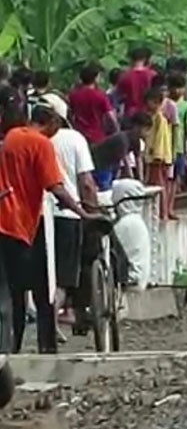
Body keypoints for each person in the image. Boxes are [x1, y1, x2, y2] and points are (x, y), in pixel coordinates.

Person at [0, 101, 94, 354]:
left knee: (11, 294)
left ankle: (11, 348)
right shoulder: (41, 144)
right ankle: (45, 347)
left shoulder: (12, 136)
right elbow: (56, 187)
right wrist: (83, 212)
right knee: (42, 288)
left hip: (4, 222)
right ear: (52, 123)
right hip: (21, 224)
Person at [40, 93, 98, 333]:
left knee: (43, 276)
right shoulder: (75, 139)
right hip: (67, 215)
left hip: (38, 216)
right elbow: (86, 182)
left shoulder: (35, 138)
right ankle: (53, 325)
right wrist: (91, 209)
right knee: (63, 276)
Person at [90, 112, 152, 188]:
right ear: (137, 127)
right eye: (146, 129)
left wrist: (141, 180)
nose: (148, 133)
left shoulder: (136, 141)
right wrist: (133, 181)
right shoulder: (123, 139)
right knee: (105, 187)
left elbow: (138, 160)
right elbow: (126, 163)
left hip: (111, 164)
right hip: (100, 162)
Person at [69, 62, 118, 150]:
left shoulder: (73, 95)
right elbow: (110, 116)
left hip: (79, 134)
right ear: (95, 78)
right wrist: (116, 130)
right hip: (96, 136)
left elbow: (70, 114)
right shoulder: (100, 96)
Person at [143, 87, 173, 219]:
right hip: (153, 156)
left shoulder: (160, 119)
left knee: (159, 185)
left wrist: (157, 155)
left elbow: (160, 138)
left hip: (157, 157)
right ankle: (160, 211)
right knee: (157, 184)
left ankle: (163, 212)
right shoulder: (153, 118)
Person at [168, 73, 187, 209]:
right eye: (175, 87)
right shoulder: (165, 104)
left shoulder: (185, 106)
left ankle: (171, 205)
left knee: (177, 177)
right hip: (167, 146)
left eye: (181, 88)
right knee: (168, 178)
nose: (178, 91)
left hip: (180, 146)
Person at [117, 46, 156, 115]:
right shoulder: (152, 75)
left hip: (130, 113)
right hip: (148, 112)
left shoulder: (124, 77)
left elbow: (119, 95)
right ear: (145, 59)